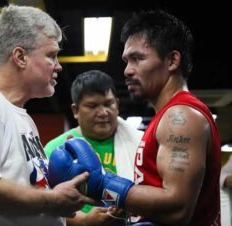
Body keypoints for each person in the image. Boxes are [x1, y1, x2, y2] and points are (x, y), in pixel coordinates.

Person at [49, 10, 221, 226]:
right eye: (126, 61)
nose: (128, 71)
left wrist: (103, 183)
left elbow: (178, 209)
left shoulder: (181, 117)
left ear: (172, 60)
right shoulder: (166, 117)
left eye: (137, 58)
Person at [0, 4, 95, 226]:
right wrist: (52, 200)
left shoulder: (22, 118)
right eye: (51, 55)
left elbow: (29, 196)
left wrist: (68, 184)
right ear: (20, 57)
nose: (58, 66)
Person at [45, 70, 143, 225]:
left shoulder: (140, 143)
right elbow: (46, 206)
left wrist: (128, 202)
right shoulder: (55, 149)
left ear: (117, 104)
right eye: (92, 106)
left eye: (108, 103)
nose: (103, 112)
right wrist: (83, 221)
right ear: (75, 110)